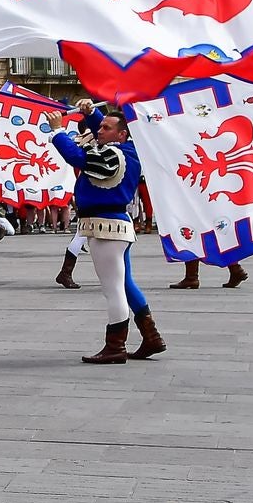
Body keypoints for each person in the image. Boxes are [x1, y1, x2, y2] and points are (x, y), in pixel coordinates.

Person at [49, 111, 165, 363]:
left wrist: (57, 131)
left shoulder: (114, 154)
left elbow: (78, 156)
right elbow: (105, 134)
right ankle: (151, 336)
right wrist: (92, 113)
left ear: (122, 134)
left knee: (113, 289)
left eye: (105, 127)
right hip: (115, 224)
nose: (99, 130)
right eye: (99, 126)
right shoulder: (129, 151)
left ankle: (115, 346)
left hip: (105, 226)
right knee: (124, 284)